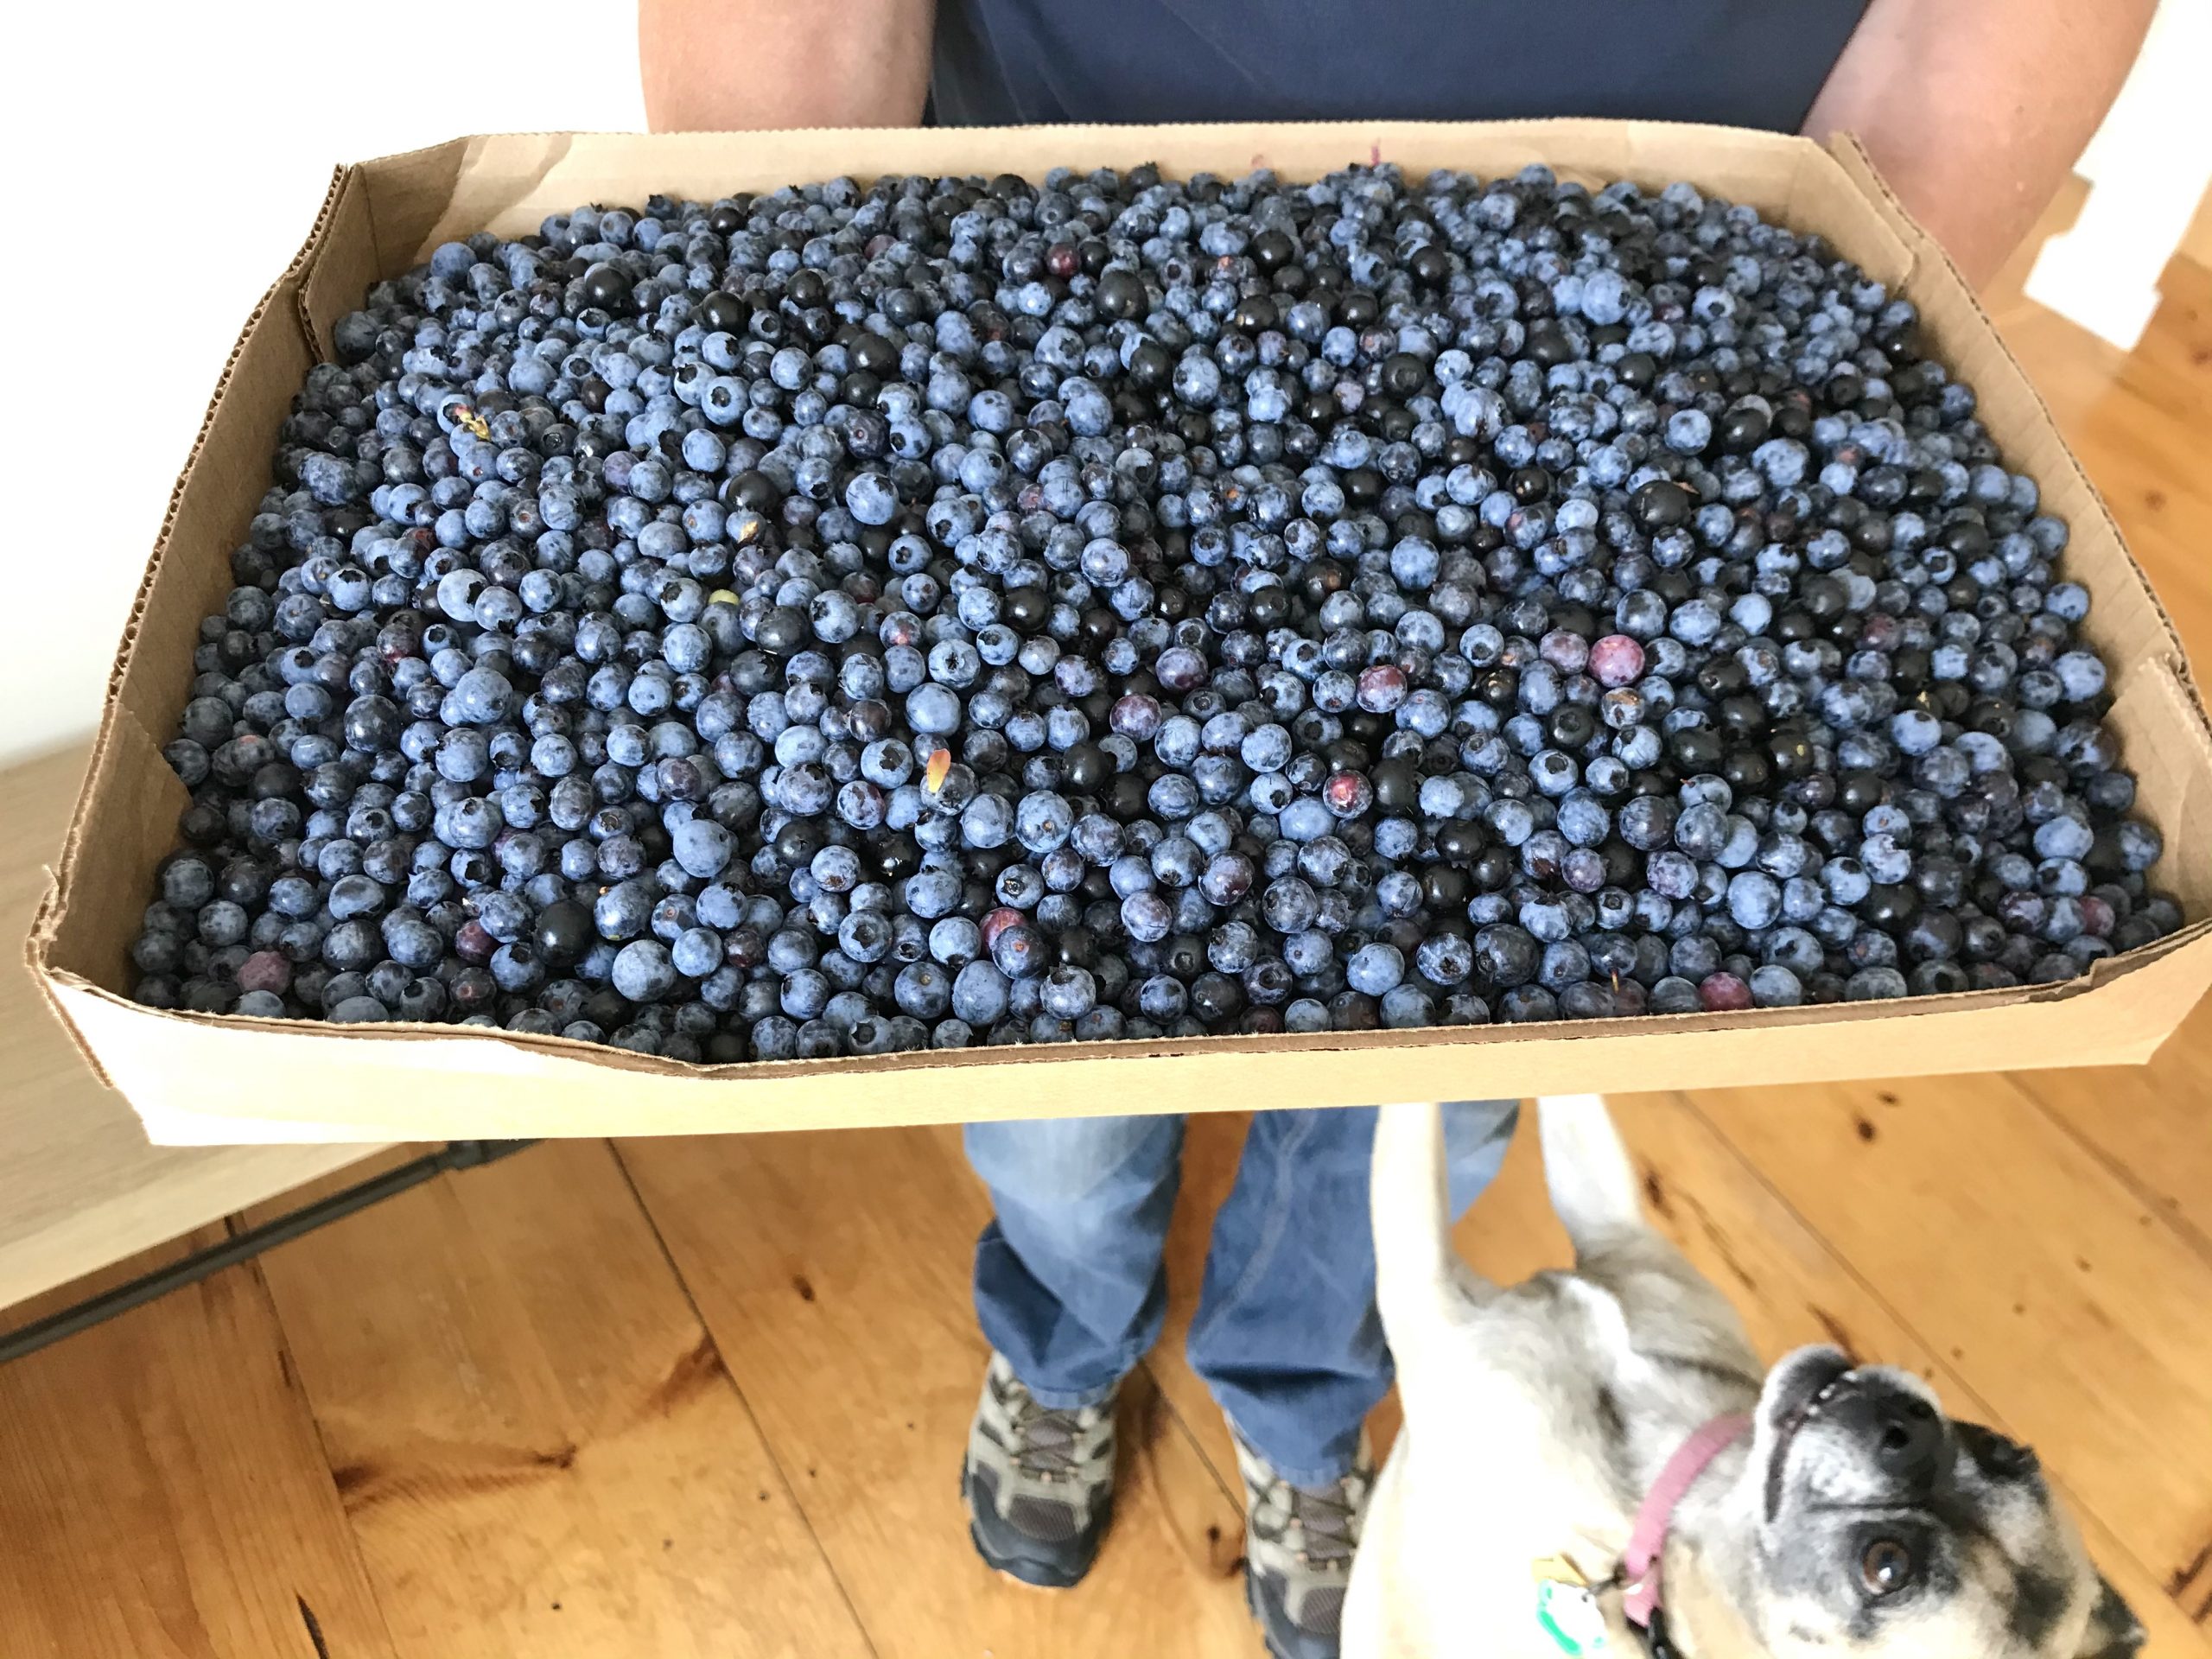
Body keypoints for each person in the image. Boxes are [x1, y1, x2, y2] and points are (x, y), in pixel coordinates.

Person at [639, 4, 2152, 1654]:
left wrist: (1805, 374)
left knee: (1438, 1075)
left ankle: (1299, 1401)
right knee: (1049, 1086)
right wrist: (763, 335)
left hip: (1628, 305)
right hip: (1055, 259)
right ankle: (1064, 1347)